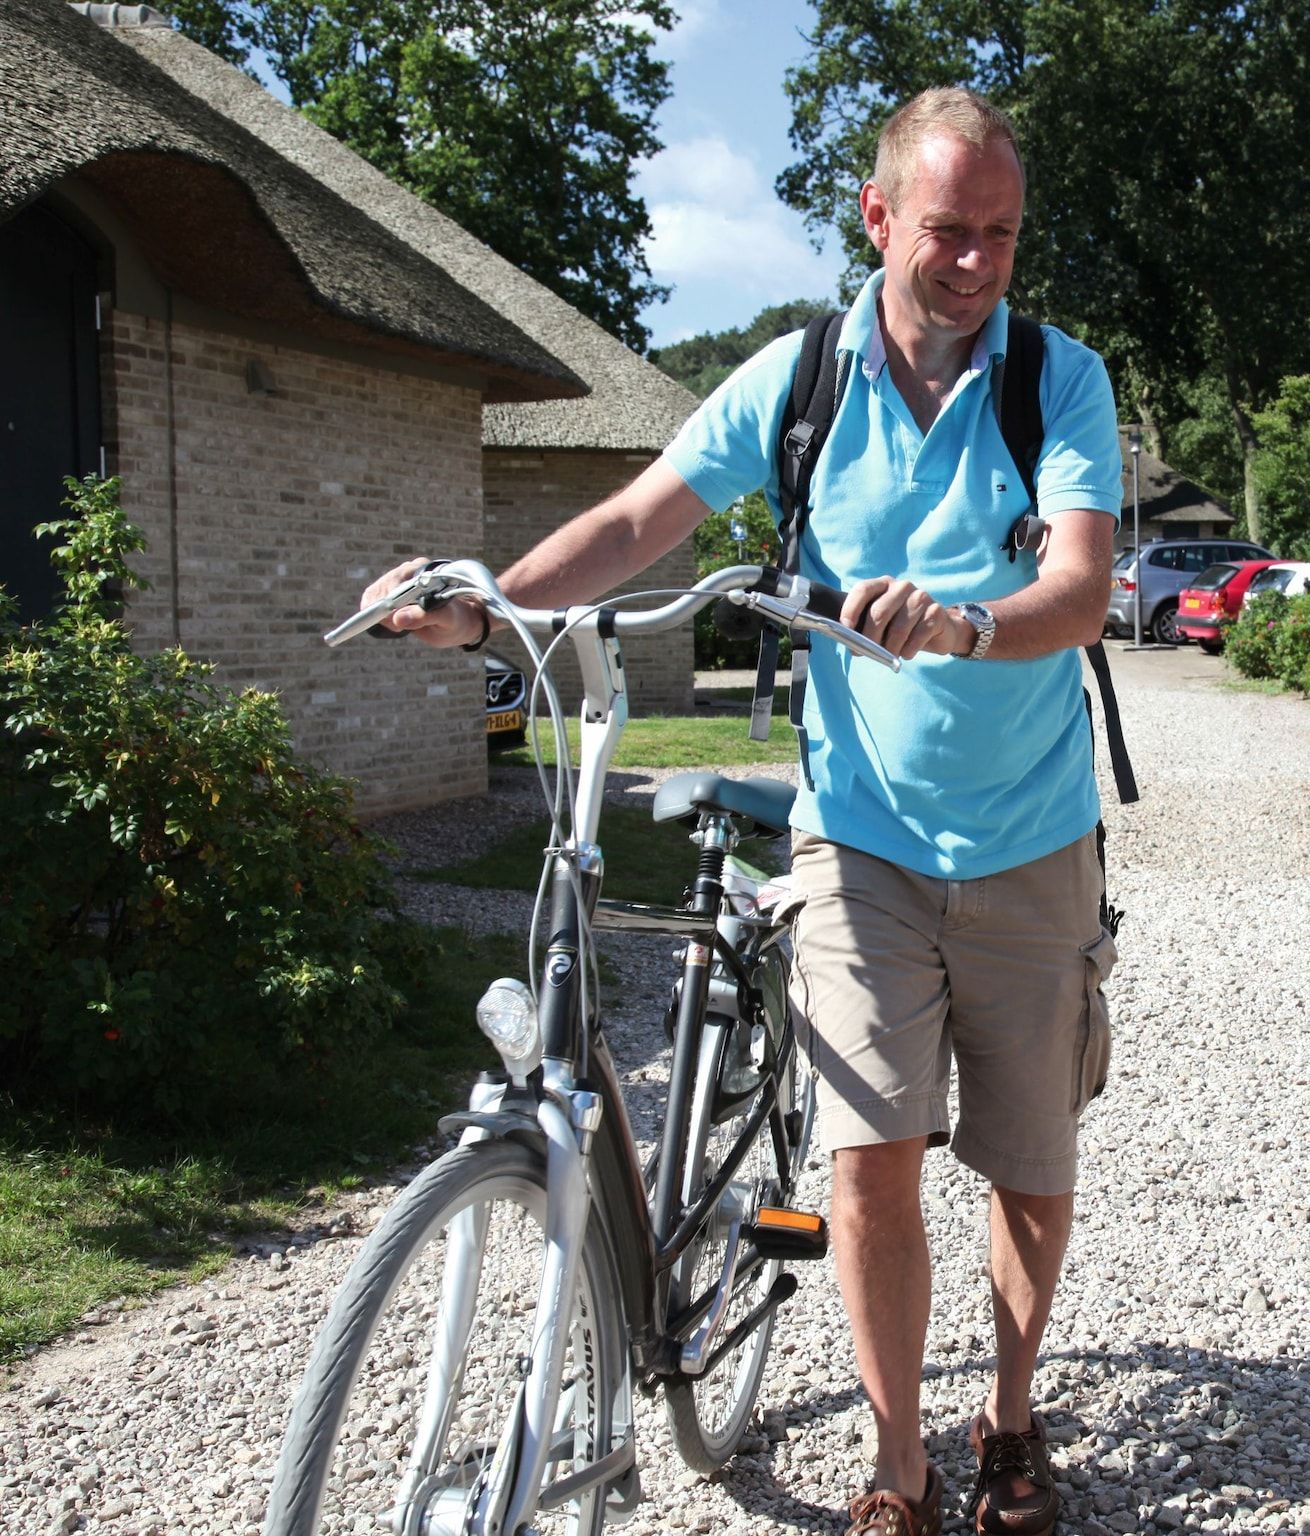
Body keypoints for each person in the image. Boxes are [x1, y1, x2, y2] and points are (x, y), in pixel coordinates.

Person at [364, 87, 1121, 1536]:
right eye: (950, 232)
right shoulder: (801, 378)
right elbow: (646, 513)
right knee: (870, 1161)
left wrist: (965, 625)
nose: (977, 264)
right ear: (877, 217)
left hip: (1032, 829)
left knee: (1029, 1165)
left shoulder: (1055, 379)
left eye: (1004, 236)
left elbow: (1082, 585)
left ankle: (1010, 1419)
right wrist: (491, 599)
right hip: (862, 836)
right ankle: (899, 1463)